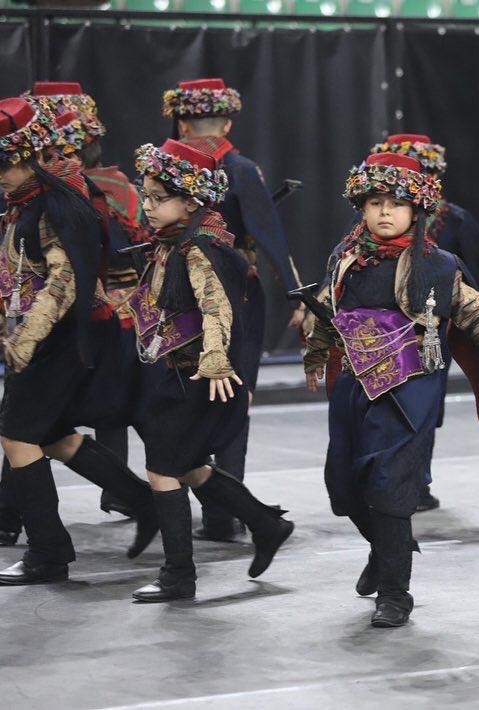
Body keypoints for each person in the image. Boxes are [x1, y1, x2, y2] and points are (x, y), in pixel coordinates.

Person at [303, 152, 479, 627]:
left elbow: (478, 317)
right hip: (354, 386)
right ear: (360, 207)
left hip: (409, 390)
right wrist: (315, 355)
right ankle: (386, 548)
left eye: (397, 203)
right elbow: (329, 314)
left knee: (390, 486)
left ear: (417, 211)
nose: (385, 212)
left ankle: (395, 593)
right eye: (375, 202)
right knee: (343, 489)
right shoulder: (343, 259)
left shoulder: (437, 265)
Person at [0, 97, 159, 585]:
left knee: (17, 437)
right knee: (51, 436)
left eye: (5, 165)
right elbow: (5, 268)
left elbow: (64, 278)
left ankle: (49, 554)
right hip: (41, 333)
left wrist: (26, 340)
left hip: (57, 335)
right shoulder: (20, 201)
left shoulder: (56, 202)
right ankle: (142, 502)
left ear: (31, 156)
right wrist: (5, 328)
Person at [128, 139, 294, 602]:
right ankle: (266, 523)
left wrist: (217, 361)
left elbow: (216, 308)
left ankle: (178, 576)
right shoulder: (181, 241)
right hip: (178, 372)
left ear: (191, 199)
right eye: (145, 196)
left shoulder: (197, 248)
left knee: (163, 471)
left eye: (158, 198)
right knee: (190, 468)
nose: (147, 206)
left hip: (195, 375)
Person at [165, 78, 303, 540]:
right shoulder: (242, 168)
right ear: (226, 121)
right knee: (234, 396)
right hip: (237, 292)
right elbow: (271, 237)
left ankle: (192, 502)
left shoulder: (169, 169)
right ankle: (224, 511)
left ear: (181, 121)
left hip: (179, 293)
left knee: (186, 397)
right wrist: (297, 294)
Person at [369, 133, 479, 512]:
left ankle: (409, 481)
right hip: (412, 331)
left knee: (410, 405)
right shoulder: (454, 218)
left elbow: (474, 283)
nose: (387, 208)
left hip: (423, 328)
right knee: (415, 405)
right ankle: (407, 482)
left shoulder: (451, 220)